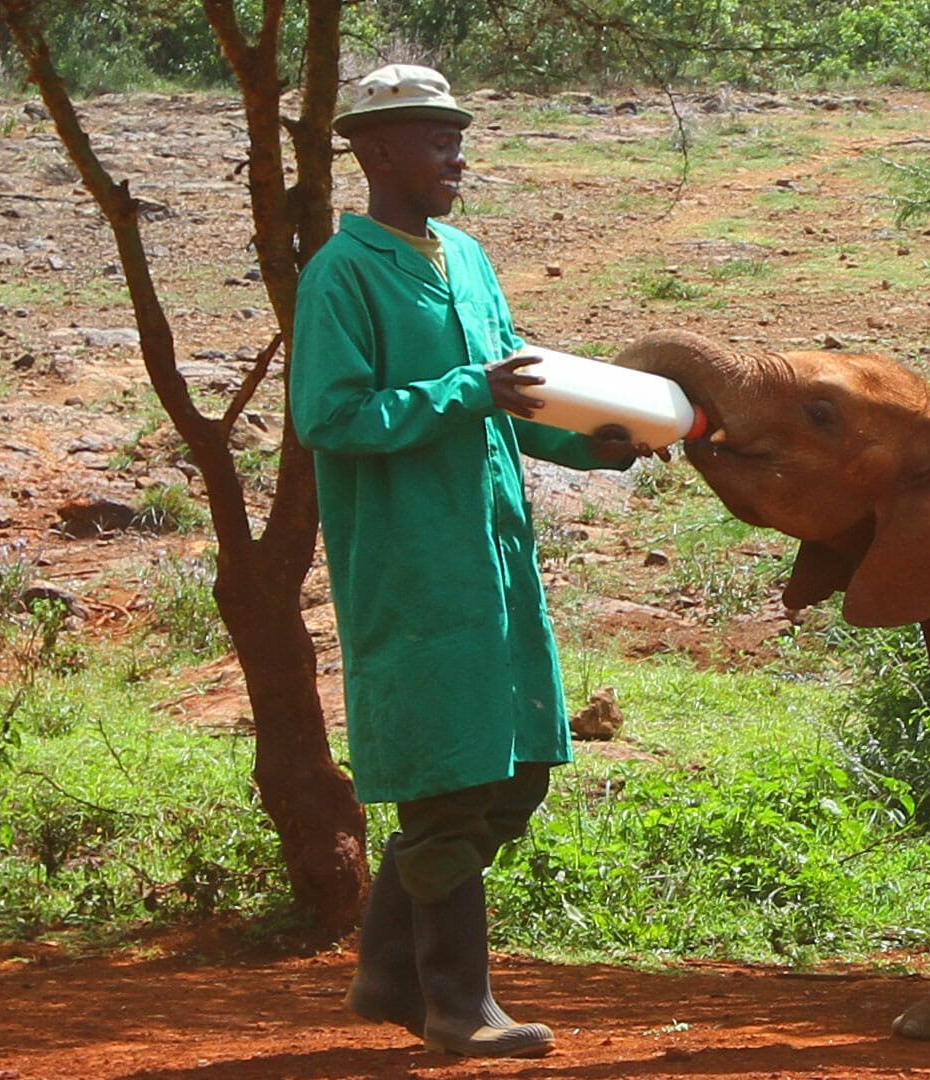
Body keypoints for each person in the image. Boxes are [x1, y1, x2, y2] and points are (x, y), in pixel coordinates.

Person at [289, 63, 645, 1059]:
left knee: (519, 769)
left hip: (493, 559)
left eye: (458, 133)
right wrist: (464, 391)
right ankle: (456, 1004)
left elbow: (515, 393)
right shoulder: (342, 274)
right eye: (435, 136)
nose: (456, 153)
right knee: (446, 782)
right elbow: (332, 414)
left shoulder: (466, 258)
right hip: (411, 564)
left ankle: (385, 973)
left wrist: (597, 439)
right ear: (377, 150)